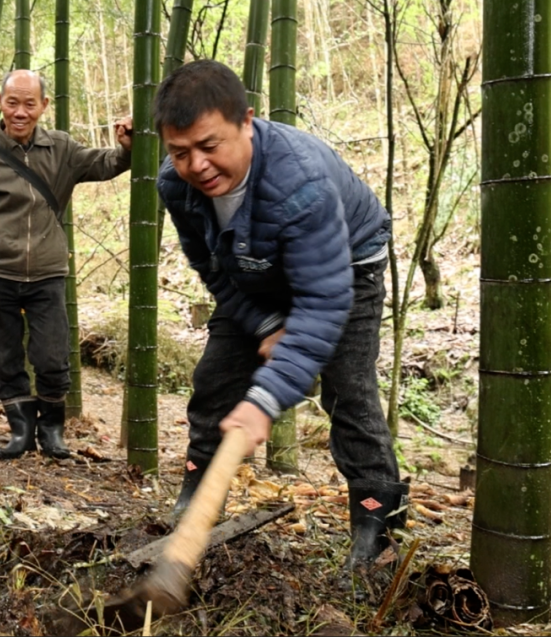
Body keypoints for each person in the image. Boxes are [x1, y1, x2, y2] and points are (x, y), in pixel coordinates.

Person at [154, 59, 408, 572]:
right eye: (180, 152)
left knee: (348, 391)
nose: (196, 165)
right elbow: (212, 268)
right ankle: (196, 504)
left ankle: (377, 529)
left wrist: (267, 398)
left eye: (209, 146)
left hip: (345, 268)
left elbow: (323, 303)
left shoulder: (301, 184)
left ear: (246, 122)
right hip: (251, 269)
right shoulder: (175, 185)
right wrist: (266, 325)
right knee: (215, 380)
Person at [0, 69, 133, 460]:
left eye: (29, 104)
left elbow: (104, 165)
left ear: (44, 106)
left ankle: (52, 431)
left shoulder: (62, 149)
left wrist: (126, 148)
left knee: (52, 356)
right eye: (12, 102)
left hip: (48, 273)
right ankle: (20, 432)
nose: (21, 112)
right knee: (6, 359)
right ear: (0, 103)